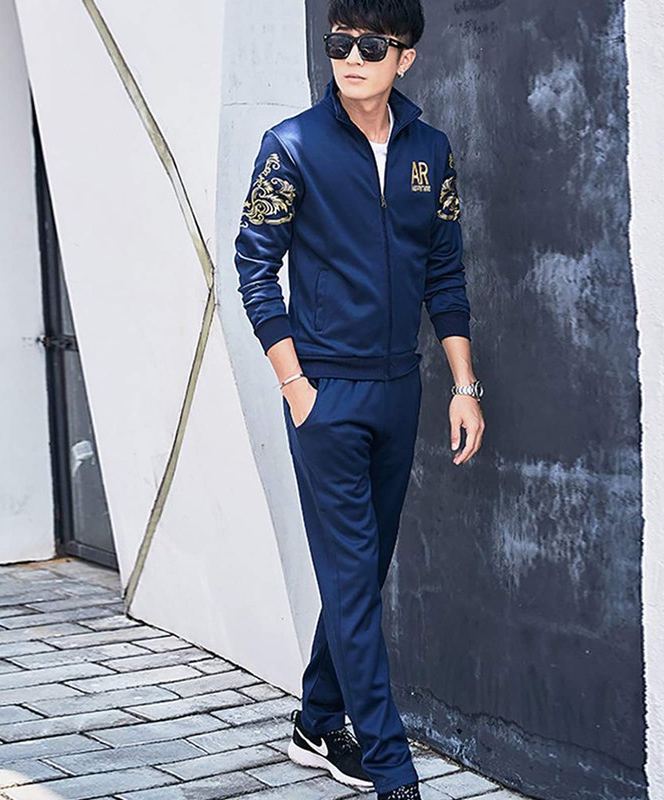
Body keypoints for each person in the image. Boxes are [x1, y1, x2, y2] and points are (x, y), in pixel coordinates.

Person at [233, 2, 485, 797]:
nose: (351, 57)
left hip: (400, 389)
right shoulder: (291, 147)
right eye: (339, 43)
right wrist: (296, 387)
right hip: (326, 396)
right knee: (352, 582)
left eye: (371, 45)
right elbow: (252, 268)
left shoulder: (431, 152)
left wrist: (464, 386)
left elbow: (444, 274)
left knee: (360, 575)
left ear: (404, 58)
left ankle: (316, 720)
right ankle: (391, 770)